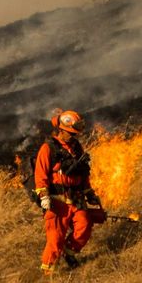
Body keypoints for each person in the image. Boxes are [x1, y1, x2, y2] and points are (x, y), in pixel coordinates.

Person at [33, 110, 106, 273]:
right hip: (58, 201)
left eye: (75, 134)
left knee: (84, 226)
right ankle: (48, 272)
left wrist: (89, 193)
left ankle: (69, 253)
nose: (74, 137)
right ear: (61, 130)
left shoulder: (77, 148)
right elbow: (40, 175)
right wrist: (44, 197)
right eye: (71, 133)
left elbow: (83, 174)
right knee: (55, 238)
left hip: (77, 198)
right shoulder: (48, 149)